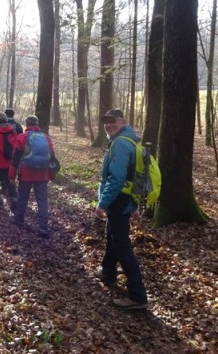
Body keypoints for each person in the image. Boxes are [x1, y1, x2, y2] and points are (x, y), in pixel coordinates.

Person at [95, 108, 148, 310]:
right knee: (112, 237)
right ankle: (108, 273)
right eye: (106, 122)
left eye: (113, 121)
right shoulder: (132, 141)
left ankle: (137, 295)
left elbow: (116, 179)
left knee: (122, 245)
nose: (108, 125)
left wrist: (102, 204)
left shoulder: (120, 144)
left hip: (118, 200)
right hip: (124, 200)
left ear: (123, 122)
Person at [8, 115, 55, 238]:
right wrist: (51, 175)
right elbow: (52, 159)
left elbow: (15, 158)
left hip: (25, 174)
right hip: (43, 175)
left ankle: (19, 219)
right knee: (43, 201)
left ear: (27, 124)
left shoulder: (22, 137)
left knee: (23, 197)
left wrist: (11, 176)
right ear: (38, 124)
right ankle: (43, 228)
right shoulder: (47, 138)